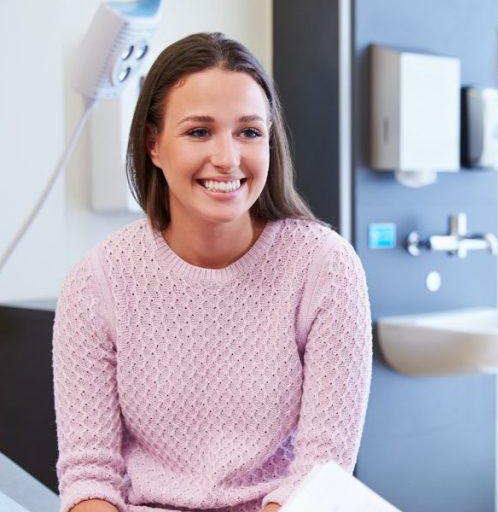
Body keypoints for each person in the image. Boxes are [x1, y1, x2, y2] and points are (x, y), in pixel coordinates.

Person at [52, 32, 372, 512]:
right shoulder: (97, 284)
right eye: (199, 131)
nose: (228, 158)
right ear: (154, 145)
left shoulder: (325, 268)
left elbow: (322, 471)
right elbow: (88, 477)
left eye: (249, 132)